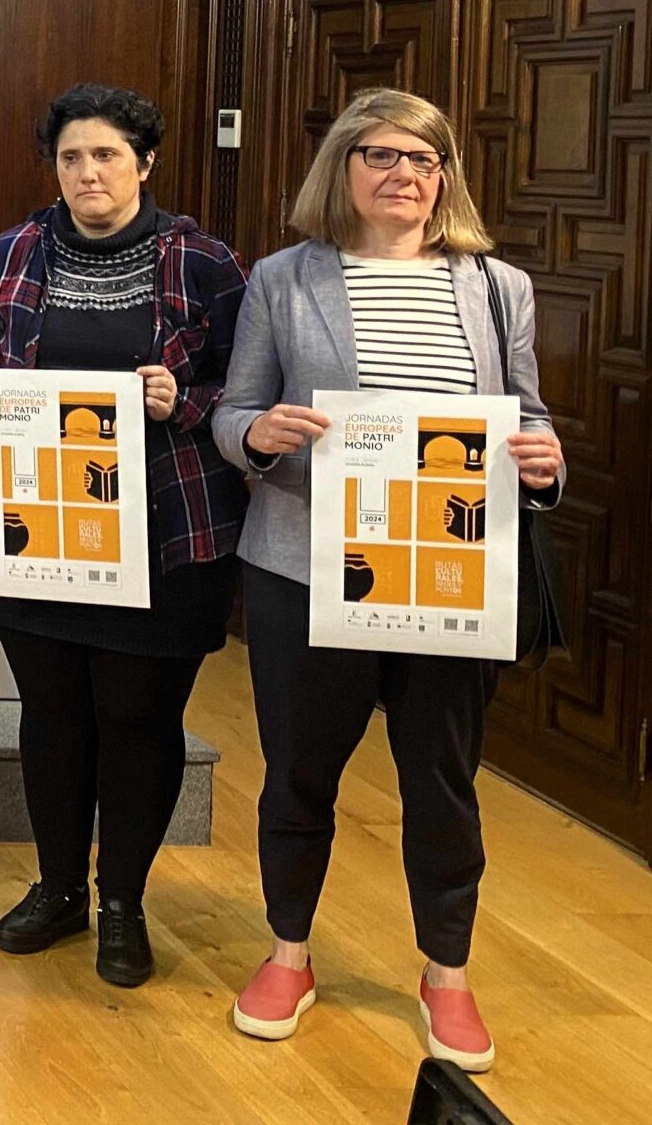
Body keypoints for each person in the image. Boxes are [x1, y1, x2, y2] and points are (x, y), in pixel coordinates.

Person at [214, 88, 562, 1074]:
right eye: (379, 155)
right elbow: (233, 411)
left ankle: (445, 973)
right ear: (343, 168)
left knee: (441, 781)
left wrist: (544, 460)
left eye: (423, 158)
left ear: (443, 176)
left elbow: (529, 416)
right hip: (306, 565)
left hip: (451, 571)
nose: (402, 174)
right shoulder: (283, 278)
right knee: (298, 773)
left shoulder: (499, 287)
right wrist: (255, 435)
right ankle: (287, 953)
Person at [0, 85, 248, 986]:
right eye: (72, 157)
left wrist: (185, 400)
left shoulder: (205, 263)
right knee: (51, 714)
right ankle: (57, 889)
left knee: (138, 719)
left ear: (145, 163)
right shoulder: (4, 256)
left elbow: (248, 392)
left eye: (107, 156)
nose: (88, 173)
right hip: (35, 528)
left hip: (163, 534)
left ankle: (121, 898)